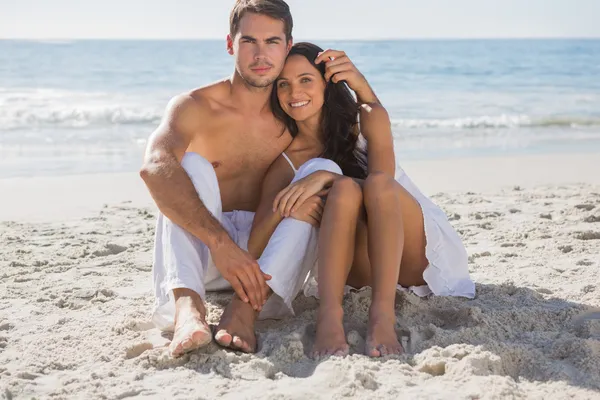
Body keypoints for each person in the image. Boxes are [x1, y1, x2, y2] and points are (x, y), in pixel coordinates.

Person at [247, 42, 475, 358]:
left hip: (410, 255)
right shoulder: (285, 162)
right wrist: (289, 205)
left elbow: (381, 184)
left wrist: (328, 178)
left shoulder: (367, 118)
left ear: (328, 83)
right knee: (344, 191)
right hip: (355, 271)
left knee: (372, 184)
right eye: (282, 84)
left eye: (305, 80)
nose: (293, 92)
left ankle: (382, 316)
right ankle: (330, 316)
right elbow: (254, 244)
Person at [140, 0, 327, 358]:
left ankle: (245, 311)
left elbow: (358, 151)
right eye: (249, 42)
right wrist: (222, 245)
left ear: (288, 46)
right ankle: (188, 310)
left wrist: (320, 176)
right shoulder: (195, 106)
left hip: (270, 264)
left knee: (313, 177)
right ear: (231, 45)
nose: (261, 54)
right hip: (207, 257)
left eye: (272, 42)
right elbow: (154, 166)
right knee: (190, 166)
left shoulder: (297, 111)